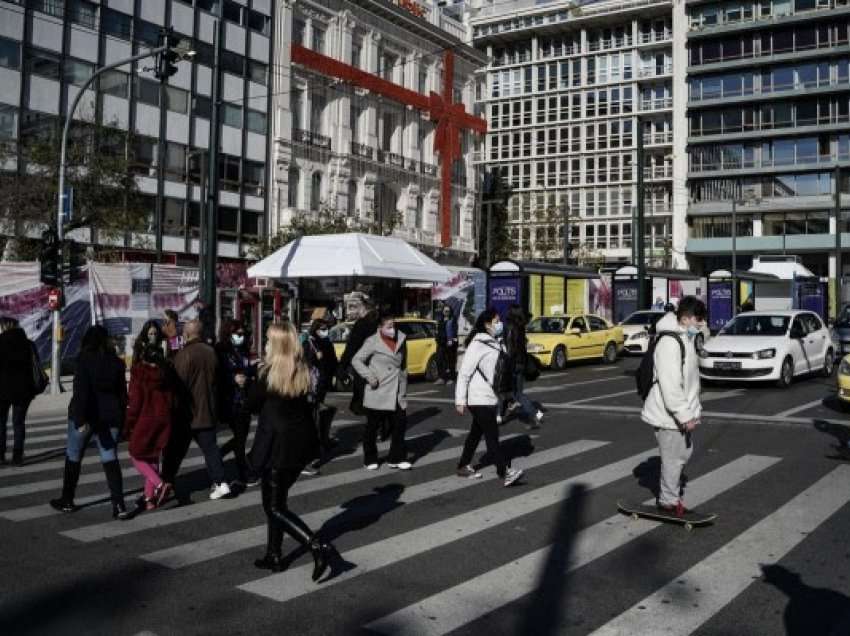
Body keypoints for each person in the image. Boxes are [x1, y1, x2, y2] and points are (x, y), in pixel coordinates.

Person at [244, 322, 335, 577]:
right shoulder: (303, 369)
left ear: (276, 344)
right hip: (301, 442)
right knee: (279, 502)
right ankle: (274, 555)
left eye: (267, 340)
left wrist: (246, 384)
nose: (263, 344)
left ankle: (317, 546)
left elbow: (251, 404)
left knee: (273, 507)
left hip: (277, 445)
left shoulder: (268, 373)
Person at [49, 325, 131, 519]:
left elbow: (81, 392)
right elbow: (122, 396)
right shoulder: (117, 363)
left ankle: (67, 500)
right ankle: (119, 505)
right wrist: (121, 420)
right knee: (110, 458)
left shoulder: (84, 360)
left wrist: (79, 419)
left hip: (85, 415)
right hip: (110, 417)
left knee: (74, 456)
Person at [641, 296, 707, 516]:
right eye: (698, 320)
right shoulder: (670, 343)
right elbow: (671, 385)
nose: (701, 324)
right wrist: (684, 415)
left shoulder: (685, 338)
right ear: (686, 318)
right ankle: (668, 501)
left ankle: (669, 495)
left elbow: (689, 381)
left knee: (682, 454)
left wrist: (692, 412)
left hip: (678, 414)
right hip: (668, 415)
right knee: (673, 458)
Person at [163, 319, 230, 500]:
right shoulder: (211, 353)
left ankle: (164, 482)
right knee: (211, 449)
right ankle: (221, 482)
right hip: (207, 410)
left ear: (187, 334)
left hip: (186, 413)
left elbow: (176, 383)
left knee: (174, 452)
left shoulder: (184, 355)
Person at [455, 309, 524, 487]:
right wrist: (460, 400)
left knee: (475, 434)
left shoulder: (497, 343)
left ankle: (463, 465)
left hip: (490, 397)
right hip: (477, 397)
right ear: (487, 324)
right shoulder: (477, 343)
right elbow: (464, 373)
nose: (499, 323)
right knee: (492, 436)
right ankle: (504, 472)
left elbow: (500, 375)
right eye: (496, 320)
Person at [125, 321, 176, 510]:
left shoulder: (139, 371)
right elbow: (170, 394)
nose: (153, 336)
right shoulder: (166, 371)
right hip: (163, 416)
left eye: (156, 333)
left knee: (136, 454)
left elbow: (135, 400)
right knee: (153, 457)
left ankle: (160, 484)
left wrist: (129, 421)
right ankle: (149, 499)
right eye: (151, 333)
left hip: (146, 417)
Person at [351, 311, 411, 471]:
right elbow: (356, 360)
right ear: (380, 327)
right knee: (372, 427)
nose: (393, 329)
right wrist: (369, 376)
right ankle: (370, 458)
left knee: (400, 425)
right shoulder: (372, 341)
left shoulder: (402, 338)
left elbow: (404, 364)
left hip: (397, 390)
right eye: (389, 326)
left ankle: (396, 457)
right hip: (378, 389)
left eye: (394, 325)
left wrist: (404, 388)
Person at [216, 319, 257, 486]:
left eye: (243, 334)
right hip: (230, 400)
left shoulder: (244, 349)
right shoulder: (220, 350)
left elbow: (245, 368)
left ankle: (218, 455)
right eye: (237, 334)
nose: (241, 336)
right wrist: (233, 378)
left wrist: (252, 370)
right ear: (228, 333)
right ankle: (243, 472)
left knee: (242, 436)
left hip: (244, 398)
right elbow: (217, 374)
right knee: (240, 439)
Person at [0, 317, 41, 466]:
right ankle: (17, 456)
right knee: (18, 423)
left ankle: (1, 455)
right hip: (24, 390)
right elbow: (35, 366)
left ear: (4, 326)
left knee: (1, 422)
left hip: (2, 390)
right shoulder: (28, 344)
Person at [502, 305, 544, 428]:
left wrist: (506, 362)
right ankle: (538, 415)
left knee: (516, 394)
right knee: (516, 393)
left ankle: (536, 416)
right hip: (521, 363)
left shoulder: (510, 328)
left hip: (513, 363)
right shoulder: (521, 327)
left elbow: (510, 349)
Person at [303, 317, 339, 458]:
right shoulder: (310, 343)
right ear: (316, 330)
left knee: (320, 410)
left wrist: (337, 372)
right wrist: (315, 356)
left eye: (327, 329)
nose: (326, 331)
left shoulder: (327, 342)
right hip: (314, 383)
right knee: (314, 412)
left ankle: (323, 438)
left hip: (324, 380)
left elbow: (332, 359)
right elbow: (306, 363)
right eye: (323, 329)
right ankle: (316, 441)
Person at [339, 292, 379, 416]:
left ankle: (373, 431)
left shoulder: (362, 324)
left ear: (361, 307)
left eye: (352, 307)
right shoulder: (378, 320)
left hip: (364, 366)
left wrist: (341, 367)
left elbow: (351, 347)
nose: (350, 312)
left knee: (364, 402)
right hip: (379, 365)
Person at [435, 304, 459, 385]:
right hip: (441, 343)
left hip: (450, 343)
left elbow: (455, 331)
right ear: (442, 311)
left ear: (450, 312)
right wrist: (437, 339)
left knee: (451, 361)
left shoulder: (452, 320)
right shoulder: (440, 320)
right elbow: (437, 331)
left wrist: (453, 341)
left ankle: (451, 378)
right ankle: (441, 377)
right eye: (445, 311)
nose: (446, 312)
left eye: (448, 311)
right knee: (439, 360)